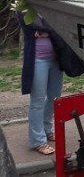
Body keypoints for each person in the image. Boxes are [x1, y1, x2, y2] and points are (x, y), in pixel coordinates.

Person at [20, 13, 63, 155]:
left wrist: (47, 31)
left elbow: (60, 23)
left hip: (56, 59)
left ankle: (47, 129)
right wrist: (50, 29)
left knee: (54, 96)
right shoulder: (23, 7)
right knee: (37, 100)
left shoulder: (49, 5)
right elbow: (31, 26)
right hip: (38, 60)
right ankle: (38, 140)